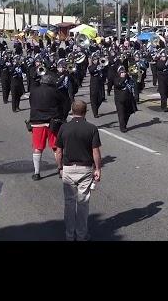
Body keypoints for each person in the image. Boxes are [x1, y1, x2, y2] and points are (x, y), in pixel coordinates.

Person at [55, 100, 102, 242]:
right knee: (83, 204)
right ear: (85, 111)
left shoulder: (64, 128)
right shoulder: (92, 128)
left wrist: (60, 167)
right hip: (85, 169)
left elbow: (58, 152)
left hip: (68, 168)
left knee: (69, 203)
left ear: (72, 111)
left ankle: (69, 235)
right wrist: (98, 168)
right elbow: (96, 152)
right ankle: (81, 235)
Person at [28, 72, 65, 181]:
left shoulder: (33, 91)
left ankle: (37, 173)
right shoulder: (55, 91)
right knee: (56, 147)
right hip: (52, 122)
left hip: (37, 122)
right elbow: (62, 104)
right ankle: (60, 169)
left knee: (37, 148)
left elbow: (31, 103)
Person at [113, 65, 137, 132]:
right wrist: (125, 78)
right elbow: (119, 84)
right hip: (119, 100)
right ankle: (122, 127)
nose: (123, 74)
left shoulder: (127, 78)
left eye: (124, 72)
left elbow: (133, 84)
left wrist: (131, 77)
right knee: (121, 114)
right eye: (122, 72)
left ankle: (124, 125)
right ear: (119, 73)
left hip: (128, 99)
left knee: (128, 113)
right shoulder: (116, 79)